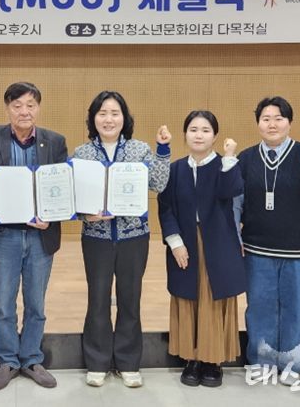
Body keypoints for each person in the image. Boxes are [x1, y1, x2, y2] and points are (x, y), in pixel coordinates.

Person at [0, 82, 67, 391]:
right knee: (4, 304)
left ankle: (32, 358)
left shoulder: (54, 141)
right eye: (17, 105)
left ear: (38, 108)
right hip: (2, 236)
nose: (24, 111)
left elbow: (61, 187)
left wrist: (51, 216)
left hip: (40, 237)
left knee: (36, 303)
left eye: (30, 105)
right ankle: (8, 360)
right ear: (8, 108)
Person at [73, 91, 171, 388]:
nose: (108, 119)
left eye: (115, 113)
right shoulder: (81, 154)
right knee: (98, 299)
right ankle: (97, 362)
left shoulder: (140, 150)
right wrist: (84, 215)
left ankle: (128, 363)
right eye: (102, 113)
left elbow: (159, 183)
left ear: (124, 118)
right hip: (96, 239)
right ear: (93, 118)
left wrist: (163, 149)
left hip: (133, 238)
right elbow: (71, 198)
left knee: (130, 299)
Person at [234, 96, 300, 381]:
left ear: (290, 122)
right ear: (258, 123)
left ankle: (293, 365)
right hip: (256, 247)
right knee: (260, 307)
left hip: (299, 250)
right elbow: (236, 203)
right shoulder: (246, 158)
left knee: (296, 309)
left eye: (279, 118)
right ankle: (261, 363)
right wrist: (234, 236)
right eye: (266, 119)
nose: (272, 124)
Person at [158, 110, 245, 388]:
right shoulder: (175, 169)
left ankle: (213, 360)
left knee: (213, 298)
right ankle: (192, 359)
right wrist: (175, 242)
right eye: (193, 129)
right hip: (185, 242)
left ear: (215, 136)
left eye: (206, 130)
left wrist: (229, 157)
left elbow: (231, 190)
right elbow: (166, 208)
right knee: (188, 297)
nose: (199, 135)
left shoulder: (225, 165)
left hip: (218, 243)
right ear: (185, 134)